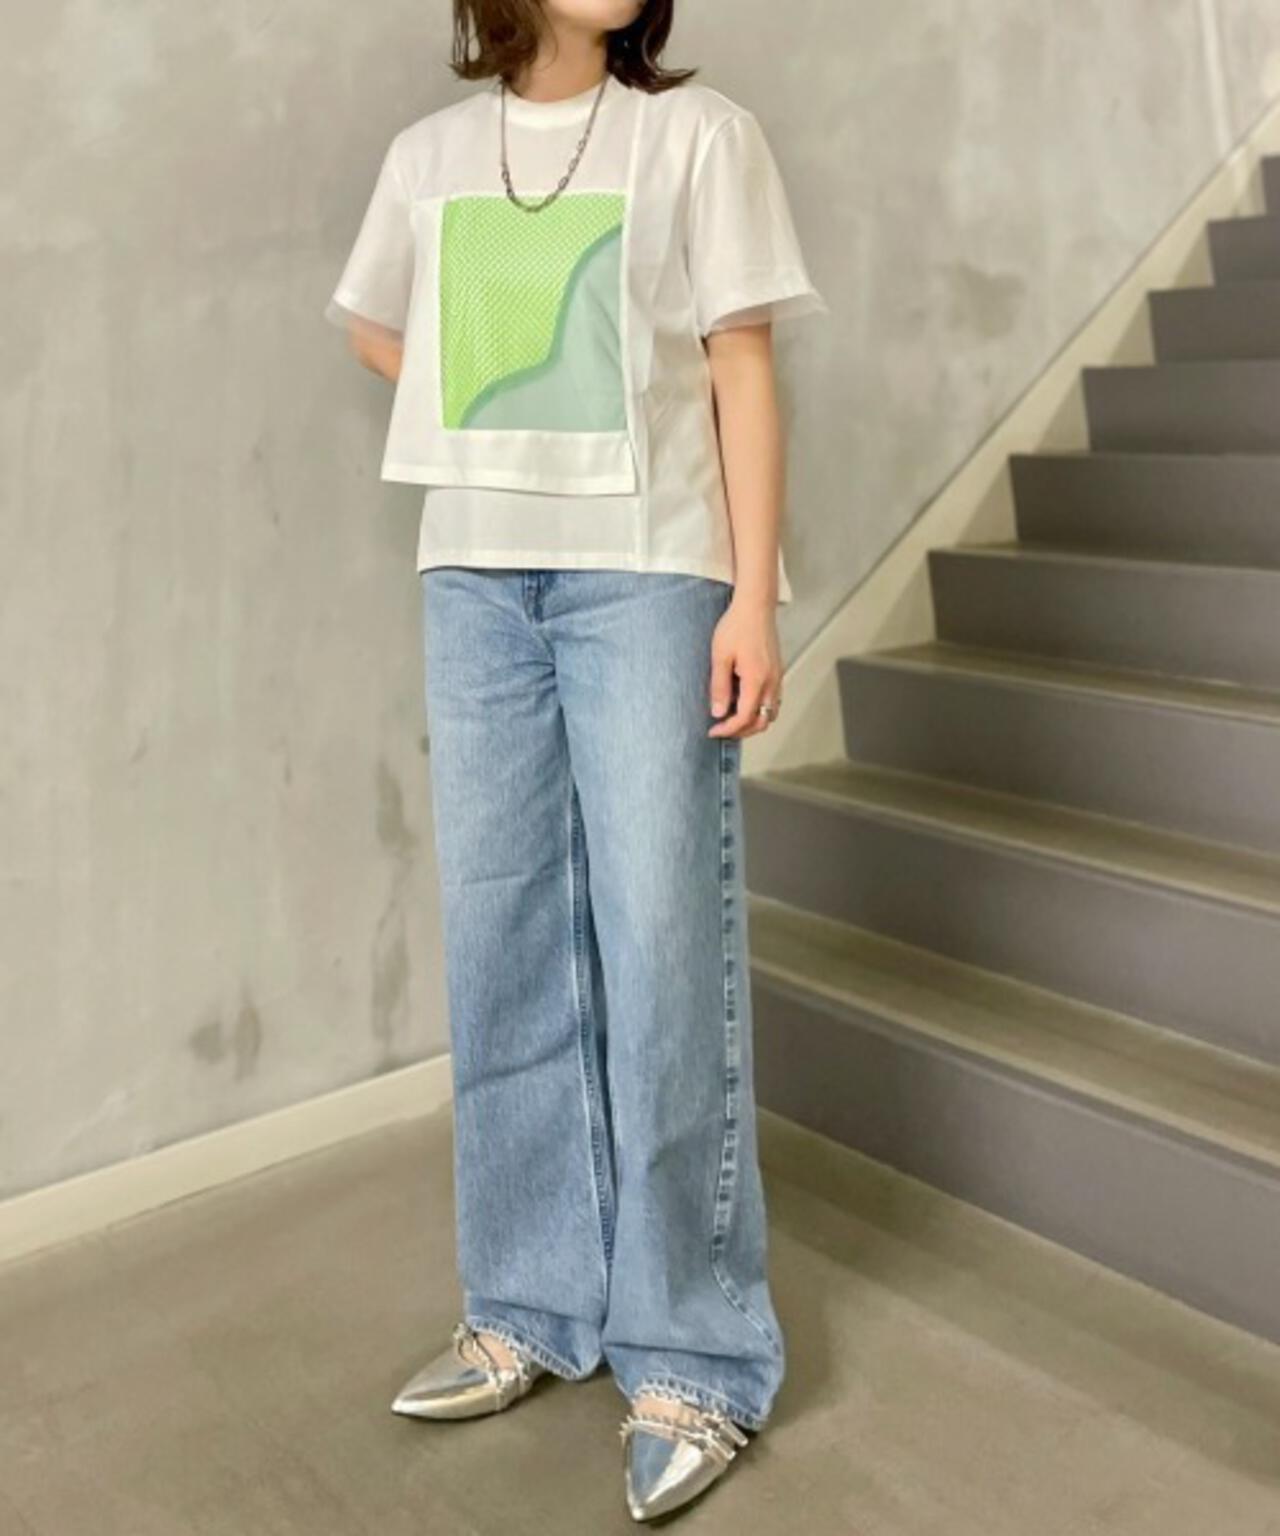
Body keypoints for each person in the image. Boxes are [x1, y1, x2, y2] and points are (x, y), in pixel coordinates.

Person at [325, 0, 826, 1520]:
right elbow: (374, 324)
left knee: (663, 949)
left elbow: (741, 367)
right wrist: (494, 411)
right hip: (477, 581)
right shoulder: (431, 155)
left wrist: (752, 597)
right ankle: (531, 1304)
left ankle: (694, 1351)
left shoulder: (700, 136)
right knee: (506, 943)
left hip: (650, 578)